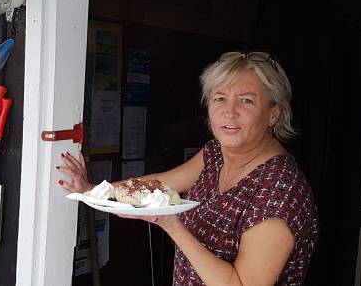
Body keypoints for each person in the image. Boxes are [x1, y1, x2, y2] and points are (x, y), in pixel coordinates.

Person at [57, 52, 319, 286]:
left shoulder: (280, 191)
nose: (229, 111)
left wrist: (172, 226)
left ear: (274, 113)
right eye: (219, 98)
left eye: (247, 101)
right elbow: (157, 185)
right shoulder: (216, 153)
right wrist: (95, 190)